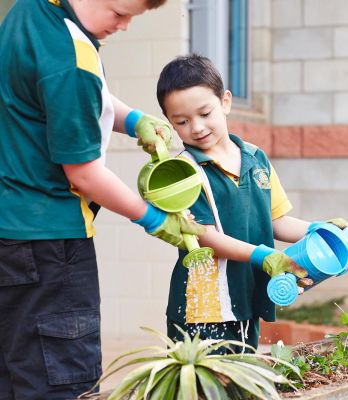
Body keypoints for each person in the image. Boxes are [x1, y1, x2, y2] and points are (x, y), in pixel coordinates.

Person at [0, 0, 206, 398]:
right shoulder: (72, 57)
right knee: (61, 384)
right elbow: (84, 174)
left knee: (14, 373)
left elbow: (58, 95)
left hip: (11, 233)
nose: (125, 26)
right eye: (119, 13)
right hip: (52, 249)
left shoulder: (32, 11)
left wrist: (133, 120)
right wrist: (153, 219)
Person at [156, 54, 348, 352]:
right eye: (182, 122)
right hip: (203, 309)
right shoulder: (183, 172)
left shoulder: (256, 158)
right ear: (170, 123)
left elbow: (276, 220)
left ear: (225, 102)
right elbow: (205, 237)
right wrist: (264, 256)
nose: (196, 127)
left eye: (205, 113)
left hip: (249, 295)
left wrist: (319, 229)